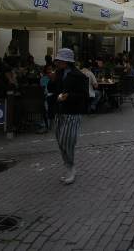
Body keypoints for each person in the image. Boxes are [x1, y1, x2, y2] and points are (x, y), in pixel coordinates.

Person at [52, 48, 89, 185]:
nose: (58, 62)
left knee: (67, 140)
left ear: (67, 61)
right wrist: (52, 81)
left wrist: (69, 96)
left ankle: (71, 167)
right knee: (61, 141)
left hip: (72, 113)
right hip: (60, 111)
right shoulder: (59, 73)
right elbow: (54, 89)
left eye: (60, 60)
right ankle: (68, 166)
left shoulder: (78, 75)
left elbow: (84, 95)